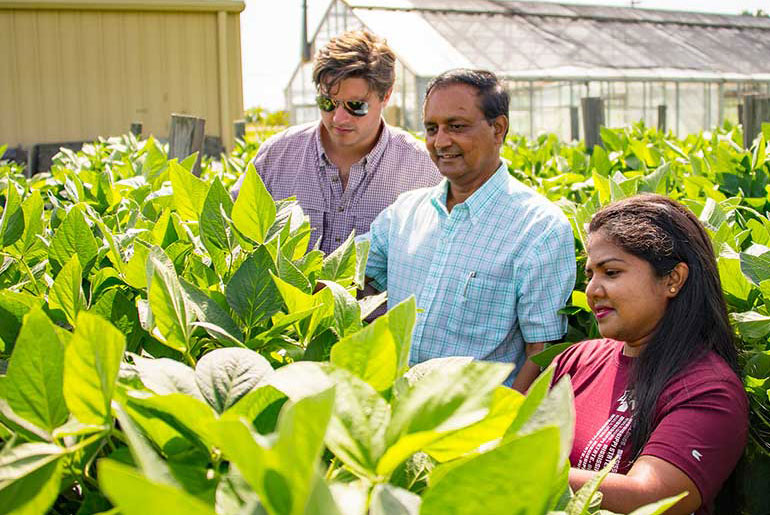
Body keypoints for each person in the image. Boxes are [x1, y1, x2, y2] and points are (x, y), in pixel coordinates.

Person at [360, 69, 575, 391]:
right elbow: (348, 277)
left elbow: (541, 353)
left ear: (498, 129)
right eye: (432, 129)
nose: (441, 142)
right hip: (394, 414)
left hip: (472, 424)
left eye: (457, 127)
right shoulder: (405, 212)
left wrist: (503, 429)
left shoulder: (539, 228)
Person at [552, 195, 748, 515]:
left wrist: (512, 470)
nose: (592, 290)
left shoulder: (708, 390)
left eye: (611, 272)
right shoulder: (576, 362)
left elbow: (652, 497)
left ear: (672, 279)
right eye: (590, 275)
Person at [231, 29, 441, 255]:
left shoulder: (422, 169)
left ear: (386, 96)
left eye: (356, 106)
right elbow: (233, 230)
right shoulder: (278, 154)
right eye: (328, 103)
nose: (339, 118)